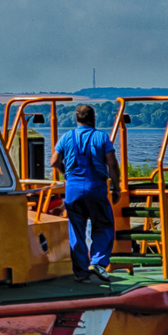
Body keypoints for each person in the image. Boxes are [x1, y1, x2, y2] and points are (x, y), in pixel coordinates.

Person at [51, 104, 120, 284]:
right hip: (95, 187)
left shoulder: (67, 137)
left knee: (76, 230)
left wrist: (66, 173)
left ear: (76, 119)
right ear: (93, 118)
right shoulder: (101, 137)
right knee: (103, 225)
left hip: (72, 189)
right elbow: (112, 164)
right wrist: (116, 186)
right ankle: (98, 262)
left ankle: (81, 272)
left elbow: (54, 161)